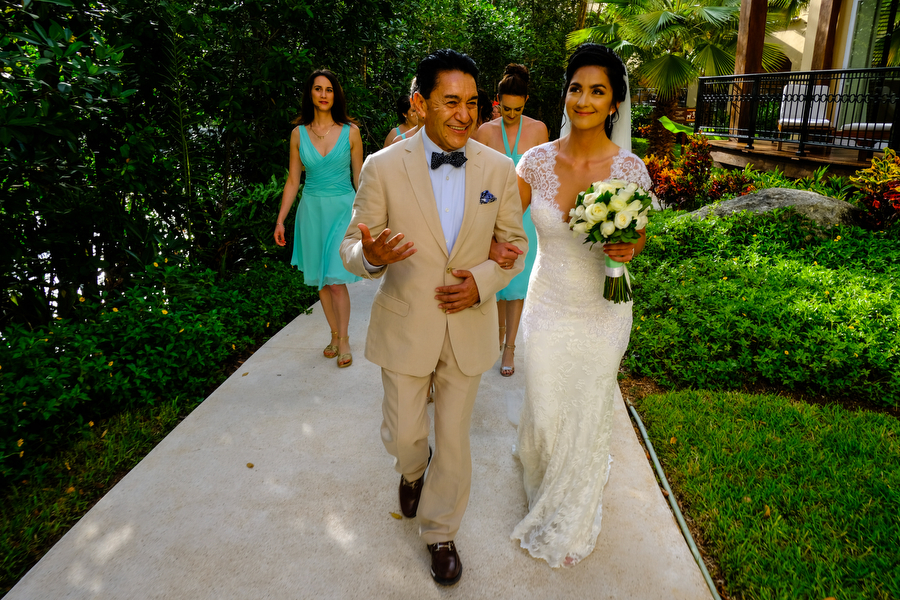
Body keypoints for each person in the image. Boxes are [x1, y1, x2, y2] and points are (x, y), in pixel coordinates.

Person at [340, 49, 528, 586]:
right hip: (405, 324)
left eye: (472, 102)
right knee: (405, 435)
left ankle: (441, 532)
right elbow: (352, 246)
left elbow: (514, 247)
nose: (464, 115)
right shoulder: (382, 167)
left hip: (469, 326)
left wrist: (482, 282)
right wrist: (372, 256)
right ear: (421, 104)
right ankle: (411, 469)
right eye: (450, 102)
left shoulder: (498, 169)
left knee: (455, 438)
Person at [510, 43, 651, 568]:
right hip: (547, 301)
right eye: (576, 88)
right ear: (565, 93)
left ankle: (571, 507)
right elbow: (500, 221)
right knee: (546, 408)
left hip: (604, 309)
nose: (584, 100)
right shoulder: (535, 162)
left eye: (597, 91)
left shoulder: (630, 169)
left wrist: (627, 247)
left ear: (614, 103)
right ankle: (543, 470)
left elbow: (639, 239)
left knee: (588, 407)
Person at [274, 69, 363, 368]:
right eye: (318, 89)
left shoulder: (351, 132)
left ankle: (345, 339)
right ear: (310, 94)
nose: (323, 94)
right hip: (311, 212)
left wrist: (370, 216)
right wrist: (280, 220)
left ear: (335, 95)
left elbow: (359, 178)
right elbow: (293, 180)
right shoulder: (298, 134)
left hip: (342, 210)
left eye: (329, 89)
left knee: (336, 280)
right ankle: (334, 335)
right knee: (322, 281)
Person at [473, 64, 549, 377]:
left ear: (526, 101)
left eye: (518, 109)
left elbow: (543, 178)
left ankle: (510, 347)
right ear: (498, 101)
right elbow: (477, 180)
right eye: (506, 109)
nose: (512, 114)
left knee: (516, 285)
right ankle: (497, 335)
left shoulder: (539, 130)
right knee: (497, 283)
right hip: (492, 218)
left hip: (525, 219)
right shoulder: (485, 132)